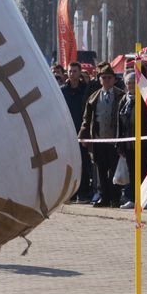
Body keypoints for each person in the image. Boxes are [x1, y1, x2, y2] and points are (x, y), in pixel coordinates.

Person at [79, 63, 125, 207]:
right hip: (98, 140)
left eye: (109, 78)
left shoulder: (121, 96)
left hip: (115, 140)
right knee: (101, 171)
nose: (106, 80)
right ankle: (104, 198)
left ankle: (115, 198)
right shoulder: (93, 97)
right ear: (100, 80)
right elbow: (87, 119)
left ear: (114, 79)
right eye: (103, 78)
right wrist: (83, 135)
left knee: (114, 170)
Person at [117, 72, 147, 209]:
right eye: (128, 83)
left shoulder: (144, 99)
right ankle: (133, 198)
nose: (131, 85)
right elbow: (119, 123)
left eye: (133, 82)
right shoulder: (124, 100)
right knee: (132, 172)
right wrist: (120, 143)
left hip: (143, 142)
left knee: (144, 170)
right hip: (128, 143)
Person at [61, 62, 92, 203]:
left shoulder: (86, 90)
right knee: (69, 164)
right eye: (70, 71)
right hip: (67, 133)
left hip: (82, 132)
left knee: (84, 164)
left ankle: (83, 193)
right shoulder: (62, 91)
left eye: (74, 71)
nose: (72, 73)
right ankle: (69, 193)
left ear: (80, 73)